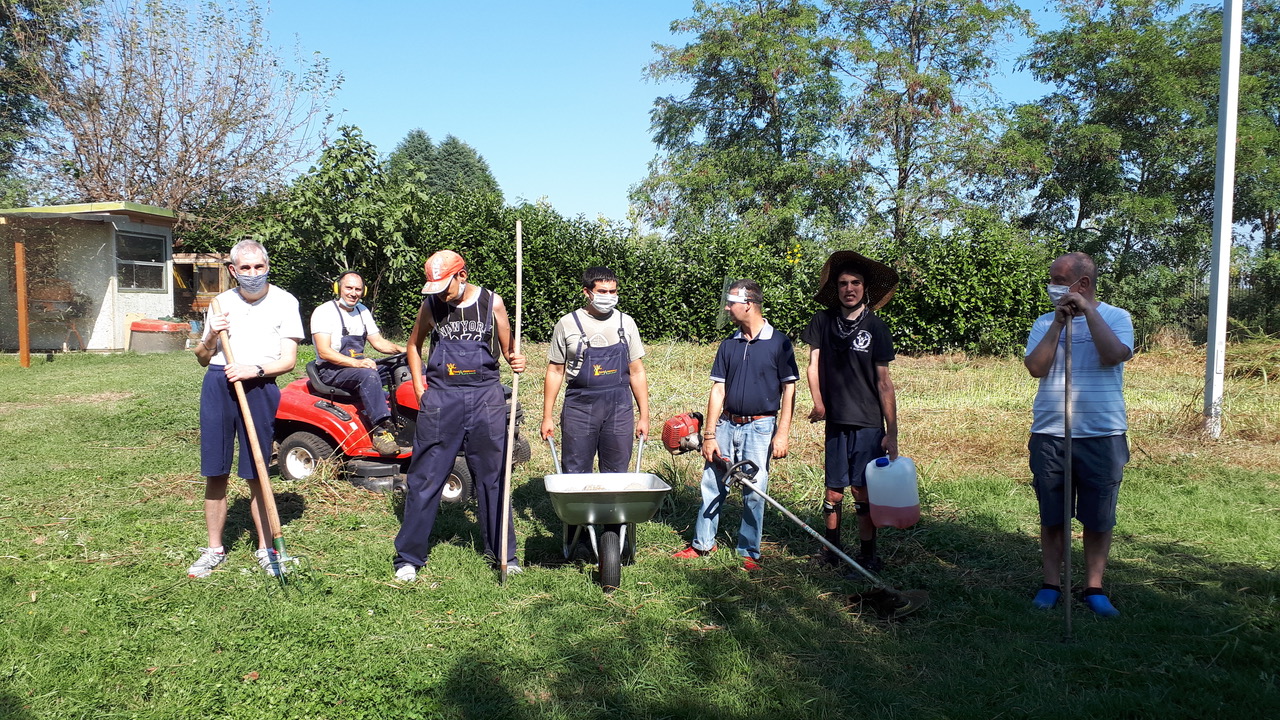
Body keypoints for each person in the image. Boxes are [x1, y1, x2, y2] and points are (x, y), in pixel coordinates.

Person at [393, 250, 527, 583]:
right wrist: (420, 387)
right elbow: (413, 346)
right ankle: (408, 558)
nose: (441, 292)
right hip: (442, 400)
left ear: (462, 276)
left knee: (493, 478)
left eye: (445, 285)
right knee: (425, 478)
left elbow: (509, 350)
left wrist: (516, 359)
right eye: (434, 286)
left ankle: (503, 555)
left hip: (485, 398)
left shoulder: (492, 304)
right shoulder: (431, 306)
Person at [1024, 251, 1132, 618]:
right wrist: (1058, 324)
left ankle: (1094, 587)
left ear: (1081, 284)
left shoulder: (1117, 317)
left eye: (1058, 279)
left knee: (1099, 517)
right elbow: (1036, 368)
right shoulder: (1044, 321)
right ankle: (1051, 584)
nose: (1052, 286)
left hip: (1102, 433)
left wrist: (1088, 312)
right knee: (1052, 515)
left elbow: (1114, 354)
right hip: (1051, 432)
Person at [188, 239, 304, 578]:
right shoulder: (221, 303)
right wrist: (212, 336)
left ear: (267, 266)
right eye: (245, 268)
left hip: (259, 385)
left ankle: (266, 549)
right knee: (215, 468)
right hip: (218, 382)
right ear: (232, 270)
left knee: (257, 470)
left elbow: (288, 361)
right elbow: (201, 357)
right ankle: (214, 549)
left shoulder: (285, 302)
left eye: (258, 267)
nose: (252, 273)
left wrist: (253, 369)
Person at [672, 279, 797, 571]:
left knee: (755, 490)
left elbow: (788, 390)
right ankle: (702, 543)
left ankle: (748, 552)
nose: (727, 308)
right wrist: (709, 434)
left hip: (760, 427)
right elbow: (718, 391)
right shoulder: (729, 344)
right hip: (727, 424)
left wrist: (782, 433)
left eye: (731, 303)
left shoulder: (779, 343)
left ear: (749, 305)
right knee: (712, 485)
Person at [801, 251, 900, 574]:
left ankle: (868, 554)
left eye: (855, 282)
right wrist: (818, 401)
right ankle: (831, 550)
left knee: (862, 490)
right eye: (843, 283)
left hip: (869, 423)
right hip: (836, 421)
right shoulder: (822, 321)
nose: (849, 288)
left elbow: (884, 382)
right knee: (833, 490)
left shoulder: (876, 327)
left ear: (865, 288)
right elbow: (812, 364)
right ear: (836, 288)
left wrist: (892, 432)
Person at [540, 266, 650, 473]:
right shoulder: (567, 323)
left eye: (613, 291)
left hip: (619, 407)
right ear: (587, 292)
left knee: (617, 471)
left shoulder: (625, 323)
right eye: (602, 292)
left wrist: (644, 416)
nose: (608, 296)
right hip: (580, 407)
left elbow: (637, 372)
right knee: (576, 470)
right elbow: (555, 370)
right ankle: (580, 506)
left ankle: (611, 507)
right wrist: (547, 416)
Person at [309, 271, 406, 455]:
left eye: (358, 289)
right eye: (349, 288)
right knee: (368, 374)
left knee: (402, 366)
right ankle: (380, 430)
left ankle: (408, 416)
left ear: (364, 291)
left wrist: (404, 351)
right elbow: (324, 351)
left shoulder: (362, 311)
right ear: (338, 288)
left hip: (358, 367)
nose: (353, 293)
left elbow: (379, 343)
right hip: (331, 370)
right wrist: (356, 364)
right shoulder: (324, 312)